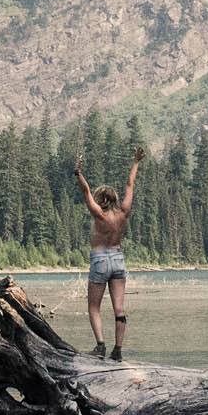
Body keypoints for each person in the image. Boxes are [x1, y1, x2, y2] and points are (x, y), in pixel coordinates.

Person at [75, 143, 143, 360]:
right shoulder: (123, 213)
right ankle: (118, 351)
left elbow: (85, 191)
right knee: (119, 308)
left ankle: (101, 346)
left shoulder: (99, 215)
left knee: (93, 307)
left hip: (100, 259)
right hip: (118, 258)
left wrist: (78, 173)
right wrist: (136, 162)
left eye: (98, 198)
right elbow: (130, 184)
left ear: (101, 200)